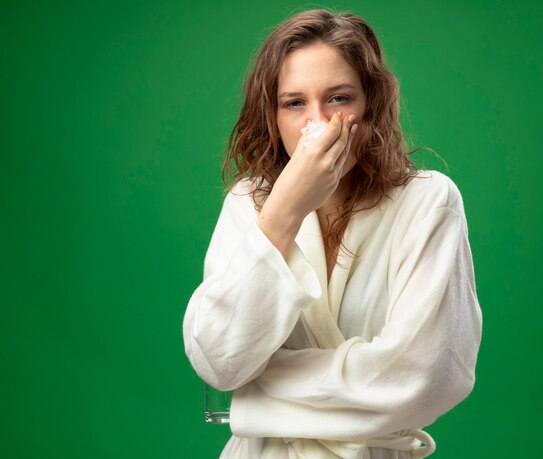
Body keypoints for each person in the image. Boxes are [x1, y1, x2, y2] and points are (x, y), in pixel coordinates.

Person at [183, 8, 482, 459]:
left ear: (370, 106)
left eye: (339, 99)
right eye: (295, 103)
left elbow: (425, 378)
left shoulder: (428, 203)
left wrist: (257, 397)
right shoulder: (248, 206)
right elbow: (219, 362)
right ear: (274, 115)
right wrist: (284, 211)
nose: (317, 124)